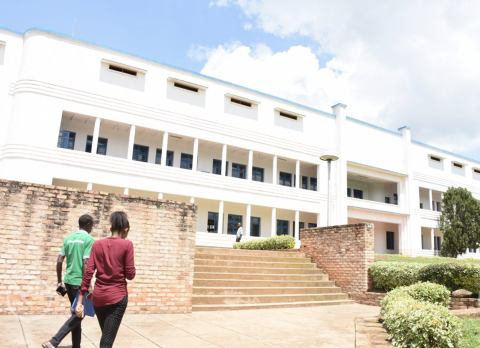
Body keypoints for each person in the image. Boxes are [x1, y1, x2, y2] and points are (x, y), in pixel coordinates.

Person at [76, 211, 136, 348]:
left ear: (111, 228)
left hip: (98, 298)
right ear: (125, 229)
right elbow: (130, 275)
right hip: (117, 298)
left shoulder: (97, 245)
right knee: (107, 342)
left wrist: (80, 301)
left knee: (107, 335)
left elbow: (88, 273)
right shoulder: (127, 245)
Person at [42, 214, 95, 348]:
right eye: (92, 226)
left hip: (68, 281)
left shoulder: (69, 238)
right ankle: (54, 341)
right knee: (79, 315)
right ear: (88, 225)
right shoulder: (88, 239)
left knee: (75, 314)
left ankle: (76, 346)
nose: (92, 228)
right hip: (80, 282)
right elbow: (85, 262)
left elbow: (60, 260)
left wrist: (60, 282)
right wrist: (88, 284)